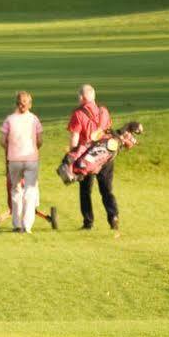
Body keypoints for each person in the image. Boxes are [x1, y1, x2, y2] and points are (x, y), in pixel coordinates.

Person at [65, 84, 111, 231]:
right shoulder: (103, 111)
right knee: (106, 189)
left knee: (85, 191)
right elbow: (107, 130)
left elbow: (75, 137)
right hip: (104, 155)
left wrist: (71, 156)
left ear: (82, 97)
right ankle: (113, 217)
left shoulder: (78, 114)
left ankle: (88, 222)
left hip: (86, 157)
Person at [0, 90, 43, 233]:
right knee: (30, 191)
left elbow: (2, 141)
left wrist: (10, 148)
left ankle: (17, 224)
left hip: (14, 160)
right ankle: (27, 226)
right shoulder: (34, 120)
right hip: (31, 159)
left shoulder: (9, 119)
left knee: (15, 190)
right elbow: (40, 140)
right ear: (29, 104)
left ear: (16, 104)